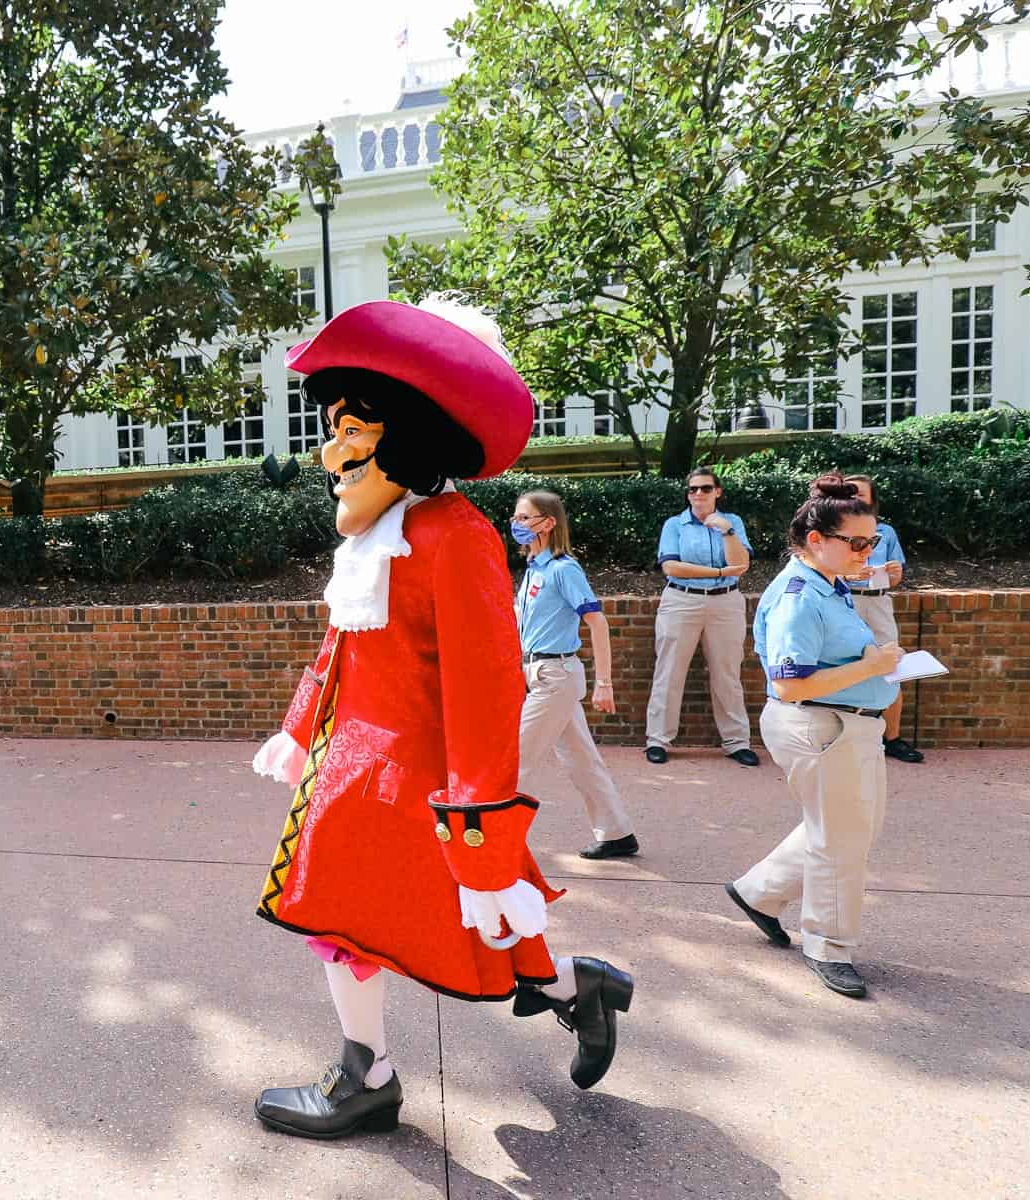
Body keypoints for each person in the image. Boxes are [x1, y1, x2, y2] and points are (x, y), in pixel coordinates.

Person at [249, 299, 633, 1140]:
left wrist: (484, 832)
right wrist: (301, 723)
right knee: (381, 926)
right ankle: (567, 991)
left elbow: (487, 689)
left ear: (412, 432)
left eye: (352, 432)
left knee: (408, 921)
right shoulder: (382, 530)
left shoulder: (452, 534)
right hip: (354, 771)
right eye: (334, 431)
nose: (331, 453)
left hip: (418, 785)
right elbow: (344, 647)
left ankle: (372, 1079)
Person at [723, 472, 904, 999]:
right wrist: (872, 665)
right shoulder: (801, 595)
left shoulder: (827, 583)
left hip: (845, 724)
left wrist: (875, 668)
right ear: (817, 541)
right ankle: (828, 946)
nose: (867, 550)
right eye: (858, 542)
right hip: (822, 724)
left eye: (871, 540)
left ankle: (757, 893)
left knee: (849, 830)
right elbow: (788, 681)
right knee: (839, 840)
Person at [511, 491, 640, 860]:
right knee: (582, 760)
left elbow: (597, 622)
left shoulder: (564, 569)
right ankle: (617, 834)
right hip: (540, 672)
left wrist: (604, 682)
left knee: (516, 758)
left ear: (548, 523)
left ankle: (490, 838)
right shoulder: (535, 569)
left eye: (525, 518)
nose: (517, 525)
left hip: (555, 675)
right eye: (516, 518)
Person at [645, 467, 760, 767]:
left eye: (705, 488)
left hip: (726, 603)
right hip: (681, 600)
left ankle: (737, 742)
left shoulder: (732, 523)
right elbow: (671, 568)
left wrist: (727, 531)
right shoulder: (675, 525)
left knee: (727, 674)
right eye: (693, 489)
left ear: (717, 492)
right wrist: (720, 572)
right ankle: (657, 740)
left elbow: (742, 564)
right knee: (669, 673)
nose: (698, 494)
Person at [844, 474, 924, 764]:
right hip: (845, 601)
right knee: (843, 666)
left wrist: (893, 573)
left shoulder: (886, 532)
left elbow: (896, 576)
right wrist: (851, 575)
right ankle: (848, 737)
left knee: (892, 667)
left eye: (861, 494)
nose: (855, 498)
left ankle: (892, 738)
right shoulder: (834, 531)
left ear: (872, 500)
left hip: (878, 602)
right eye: (850, 493)